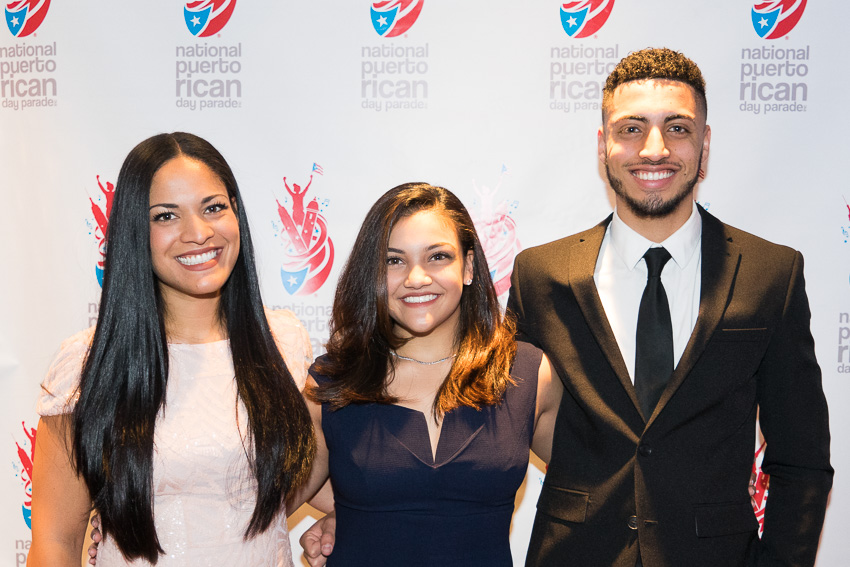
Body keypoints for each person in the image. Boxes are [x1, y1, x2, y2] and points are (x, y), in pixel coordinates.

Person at [507, 48, 833, 566]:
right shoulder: (540, 275)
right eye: (631, 128)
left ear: (704, 145)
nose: (654, 149)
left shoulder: (772, 274)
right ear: (603, 146)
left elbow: (802, 461)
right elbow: (499, 438)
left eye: (677, 128)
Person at [28, 132, 316, 566]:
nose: (198, 233)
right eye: (165, 216)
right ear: (133, 231)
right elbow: (55, 541)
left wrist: (339, 520)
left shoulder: (286, 343)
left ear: (236, 212)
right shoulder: (87, 365)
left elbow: (296, 485)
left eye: (213, 207)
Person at [295, 183, 563, 566]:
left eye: (437, 256)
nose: (416, 278)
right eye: (393, 260)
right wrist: (348, 513)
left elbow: (595, 481)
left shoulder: (526, 372)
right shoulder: (331, 381)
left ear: (468, 267)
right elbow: (270, 498)